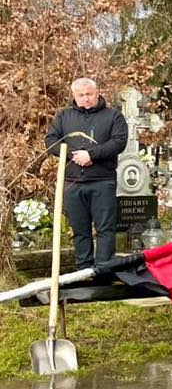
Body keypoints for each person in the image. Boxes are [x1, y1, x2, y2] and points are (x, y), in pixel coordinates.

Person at [44, 78, 128, 270]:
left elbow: (118, 142)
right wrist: (74, 155)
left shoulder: (113, 116)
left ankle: (105, 271)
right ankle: (83, 271)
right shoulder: (64, 116)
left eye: (89, 94)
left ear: (97, 93)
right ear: (74, 96)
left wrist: (92, 155)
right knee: (80, 230)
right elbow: (50, 140)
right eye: (81, 95)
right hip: (73, 182)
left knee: (105, 229)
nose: (86, 99)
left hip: (102, 181)